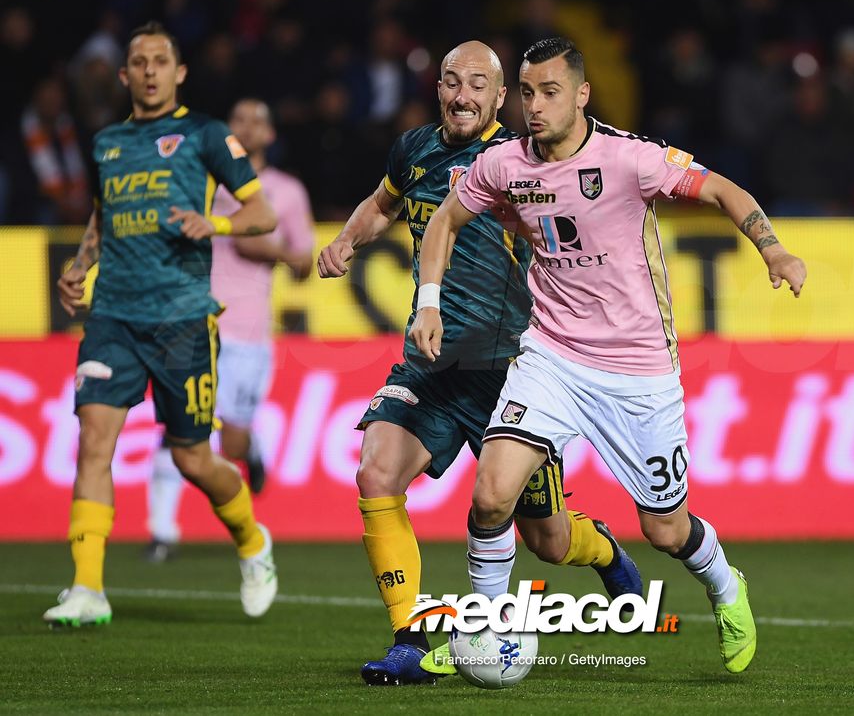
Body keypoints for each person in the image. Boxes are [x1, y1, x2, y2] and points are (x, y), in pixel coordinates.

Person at [410, 37, 808, 674]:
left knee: (665, 532)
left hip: (638, 372)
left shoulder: (629, 160)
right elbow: (444, 221)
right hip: (551, 356)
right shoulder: (503, 164)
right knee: (490, 497)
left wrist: (773, 249)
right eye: (528, 94)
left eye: (551, 93)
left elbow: (722, 190)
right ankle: (483, 635)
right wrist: (428, 300)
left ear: (582, 94)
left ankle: (726, 586)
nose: (535, 108)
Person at [317, 40, 642, 686]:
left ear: (502, 99)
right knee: (376, 472)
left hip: (510, 372)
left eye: (477, 85)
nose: (461, 95)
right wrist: (346, 241)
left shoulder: (520, 164)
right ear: (436, 88)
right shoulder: (413, 151)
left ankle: (600, 546)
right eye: (450, 82)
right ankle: (409, 639)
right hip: (432, 364)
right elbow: (383, 204)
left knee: (546, 540)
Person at [46, 22, 280, 628]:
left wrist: (217, 226)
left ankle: (253, 543)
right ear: (124, 76)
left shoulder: (204, 134)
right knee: (94, 443)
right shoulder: (106, 143)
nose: (149, 71)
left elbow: (262, 213)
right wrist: (79, 266)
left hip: (182, 320)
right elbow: (103, 219)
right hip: (113, 318)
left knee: (192, 460)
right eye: (139, 62)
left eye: (160, 61)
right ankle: (87, 589)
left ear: (179, 73)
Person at [145, 98, 315, 563]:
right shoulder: (198, 181)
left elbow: (305, 262)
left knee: (230, 442)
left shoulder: (286, 191)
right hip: (189, 324)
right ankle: (161, 531)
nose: (246, 126)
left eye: (256, 120)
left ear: (270, 135)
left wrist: (270, 246)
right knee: (176, 426)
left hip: (246, 334)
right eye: (237, 119)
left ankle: (251, 447)